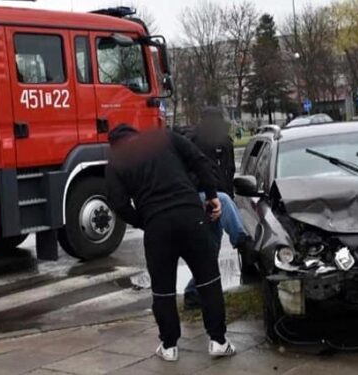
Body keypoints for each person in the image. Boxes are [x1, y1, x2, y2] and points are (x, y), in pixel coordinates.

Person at [105, 124, 236, 362]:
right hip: (191, 216)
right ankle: (218, 341)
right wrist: (212, 195)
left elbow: (118, 202)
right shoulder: (163, 137)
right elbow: (200, 161)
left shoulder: (116, 161)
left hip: (157, 228)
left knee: (163, 290)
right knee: (208, 280)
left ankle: (169, 346)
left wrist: (146, 221)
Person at [184, 107, 251, 310]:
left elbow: (228, 172)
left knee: (210, 250)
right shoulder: (192, 140)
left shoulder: (223, 141)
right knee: (209, 245)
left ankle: (193, 292)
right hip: (202, 199)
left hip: (217, 202)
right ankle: (240, 238)